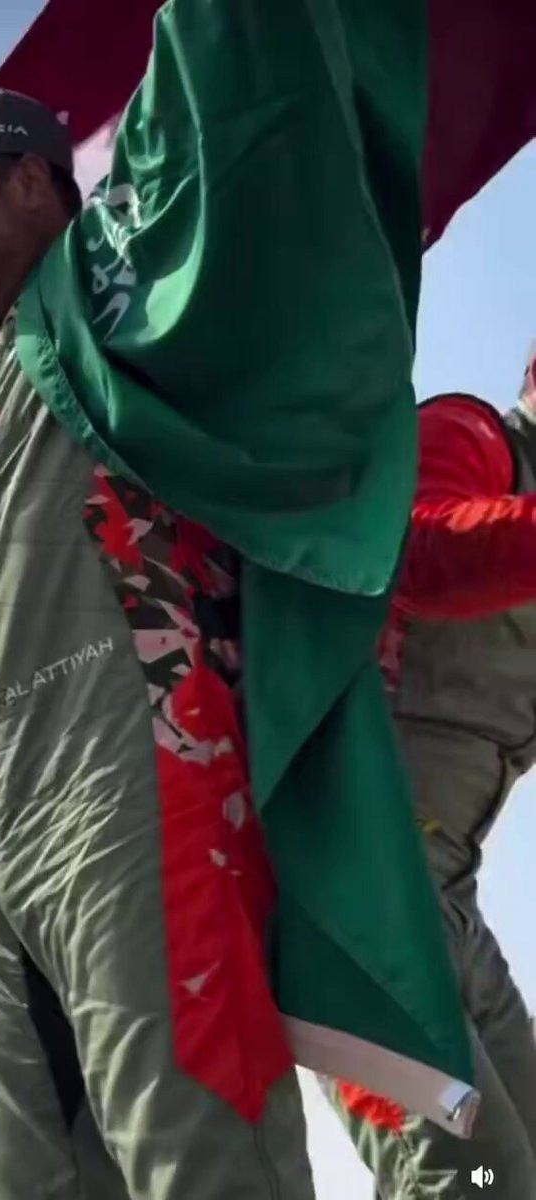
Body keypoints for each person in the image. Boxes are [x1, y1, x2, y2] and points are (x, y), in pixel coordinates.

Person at [0, 85, 314, 1199]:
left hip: (134, 779)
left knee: (192, 1147)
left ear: (36, 186)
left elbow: (217, 99)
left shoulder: (120, 300)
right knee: (16, 1166)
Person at [325, 360, 536, 1199]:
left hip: (444, 904)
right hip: (354, 894)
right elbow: (419, 545)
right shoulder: (471, 435)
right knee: (478, 1181)